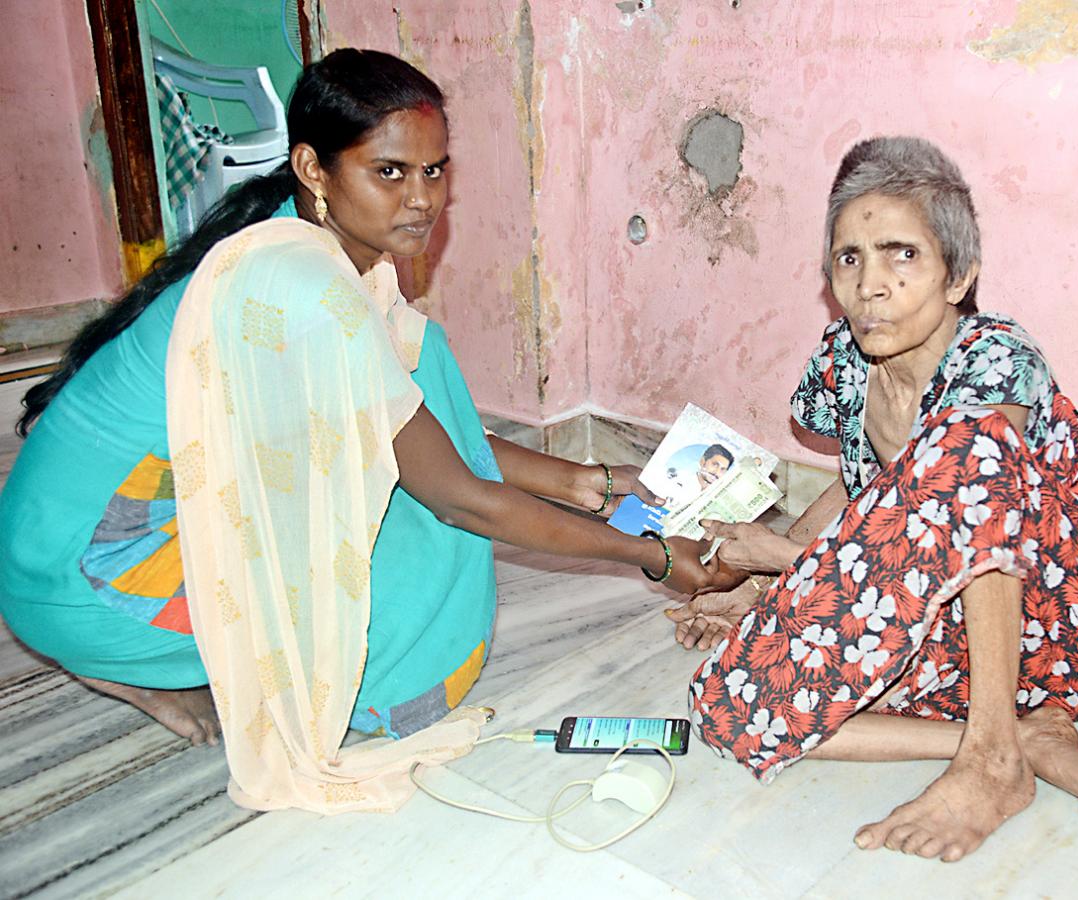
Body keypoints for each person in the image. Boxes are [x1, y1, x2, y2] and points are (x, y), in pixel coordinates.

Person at [0, 49, 732, 813]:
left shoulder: (308, 243)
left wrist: (589, 483)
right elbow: (461, 500)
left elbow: (412, 423)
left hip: (47, 537)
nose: (422, 200)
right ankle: (125, 654)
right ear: (314, 169)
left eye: (435, 170)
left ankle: (158, 658)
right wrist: (649, 557)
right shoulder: (306, 290)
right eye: (390, 173)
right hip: (86, 576)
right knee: (420, 562)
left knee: (420, 363)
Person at [669, 136, 1078, 862]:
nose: (870, 284)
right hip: (940, 616)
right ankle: (1023, 738)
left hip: (1051, 618)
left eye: (903, 255)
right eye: (849, 258)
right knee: (731, 707)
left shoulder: (997, 362)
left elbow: (967, 509)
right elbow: (866, 491)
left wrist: (789, 563)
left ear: (959, 277)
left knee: (966, 446)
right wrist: (765, 586)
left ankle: (990, 762)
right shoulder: (845, 359)